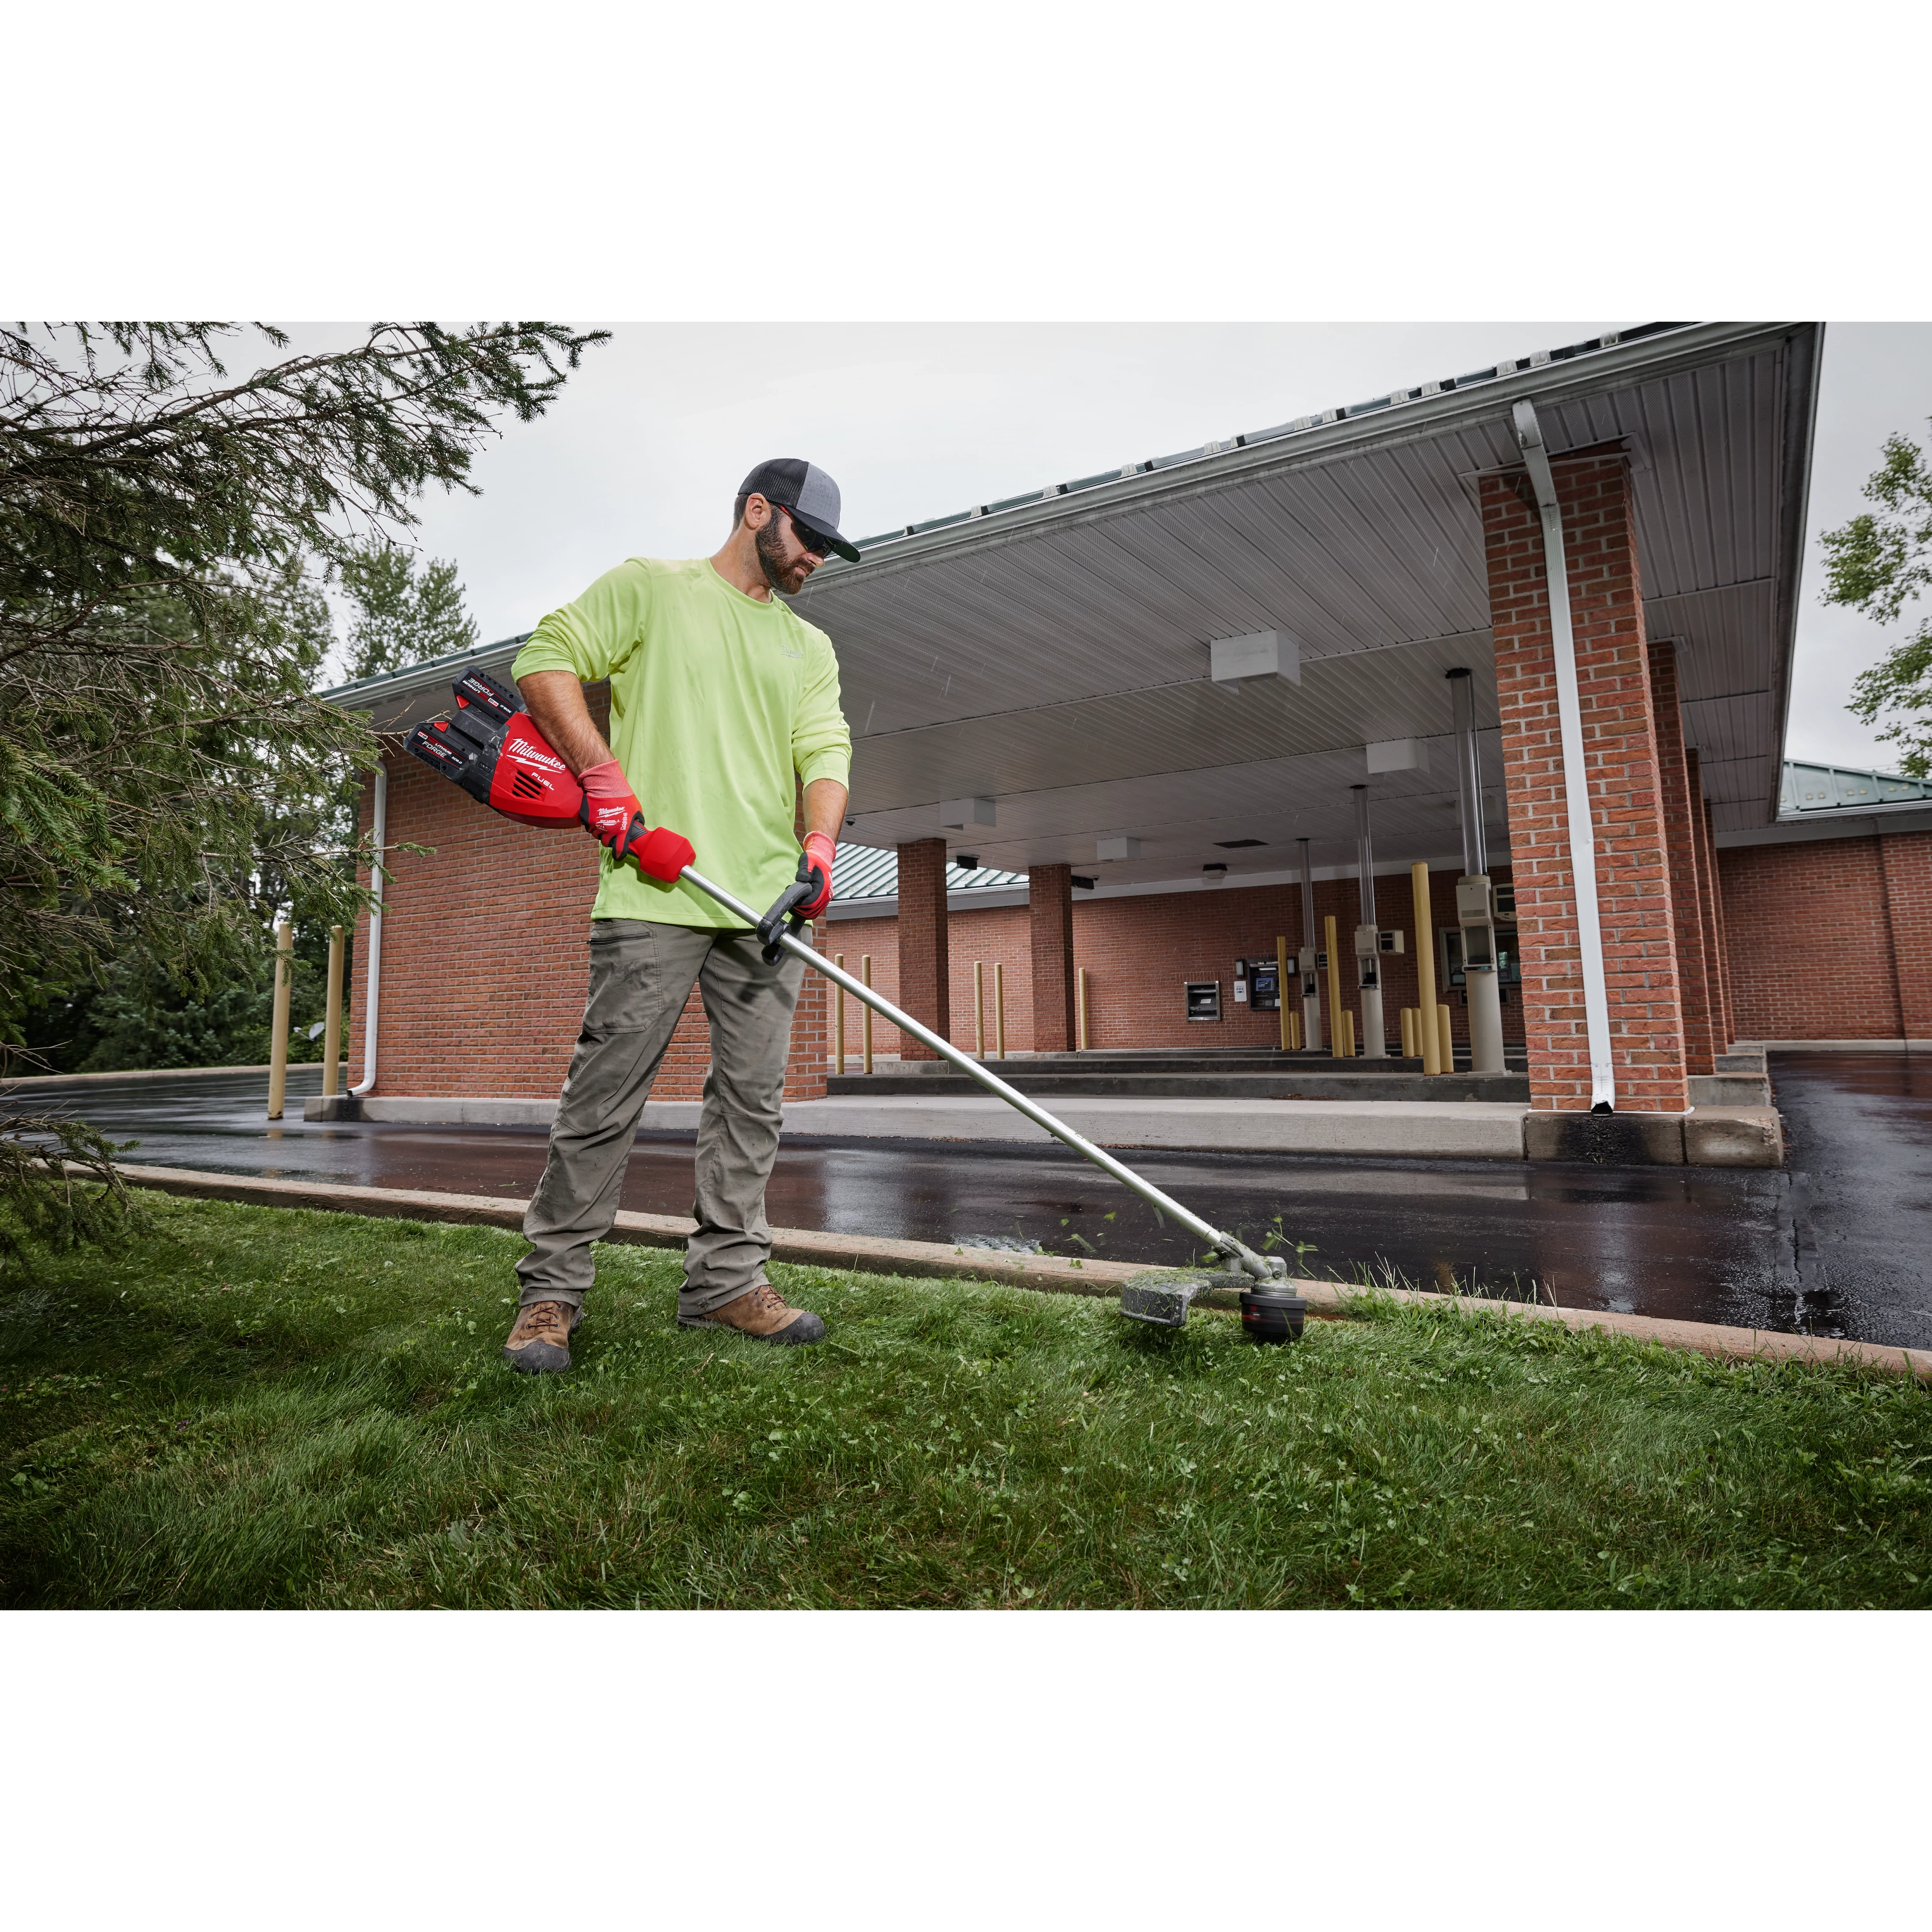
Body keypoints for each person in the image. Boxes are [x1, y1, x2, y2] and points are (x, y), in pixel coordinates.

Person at [498, 459, 856, 1372]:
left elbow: (825, 749)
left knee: (752, 1104)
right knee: (605, 1096)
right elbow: (544, 659)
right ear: (757, 512)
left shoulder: (809, 648)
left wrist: (817, 852)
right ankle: (551, 1294)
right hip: (655, 890)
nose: (816, 558)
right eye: (807, 538)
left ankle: (727, 1283)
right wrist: (603, 777)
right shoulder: (652, 590)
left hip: (765, 908)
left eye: (825, 547)